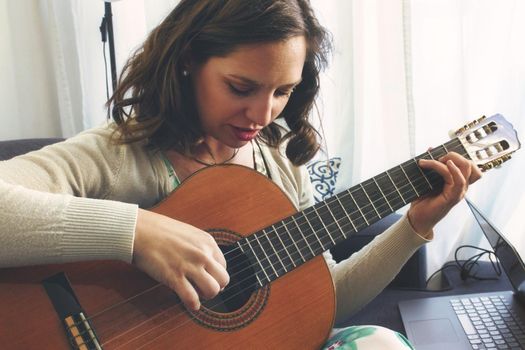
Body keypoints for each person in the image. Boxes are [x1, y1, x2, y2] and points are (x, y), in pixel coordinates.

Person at [0, 0, 481, 348]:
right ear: (188, 60)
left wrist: (415, 226)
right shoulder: (120, 152)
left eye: (282, 92)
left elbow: (325, 297)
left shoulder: (278, 163)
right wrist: (137, 232)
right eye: (240, 86)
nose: (262, 114)